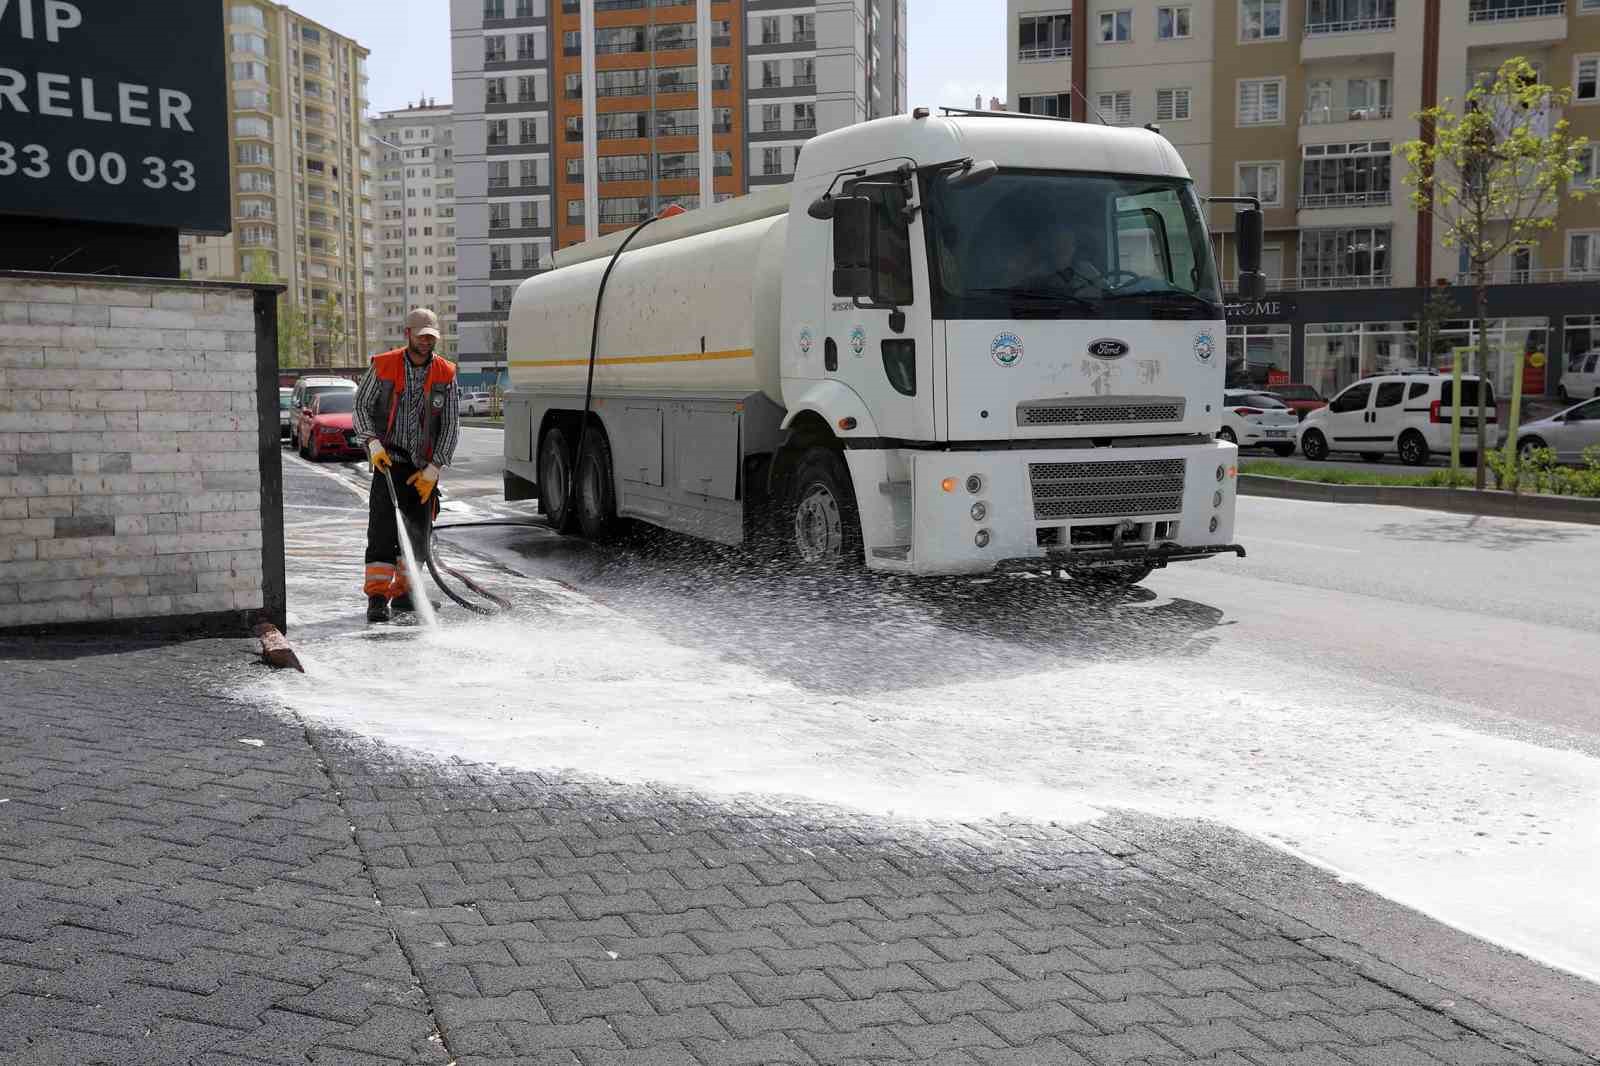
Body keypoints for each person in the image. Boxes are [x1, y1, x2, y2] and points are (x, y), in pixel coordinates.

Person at [353, 308, 460, 622]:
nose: (427, 342)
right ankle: (376, 598)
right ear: (408, 334)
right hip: (389, 464)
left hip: (423, 470)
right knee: (382, 533)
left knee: (416, 536)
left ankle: (404, 594)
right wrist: (372, 443)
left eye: (432, 337)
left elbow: (452, 424)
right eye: (422, 336)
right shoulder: (385, 366)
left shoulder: (445, 373)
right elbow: (361, 404)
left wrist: (435, 468)